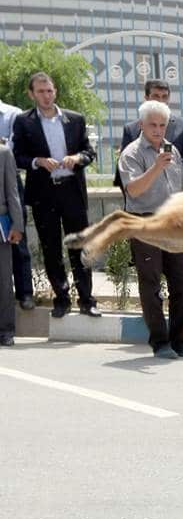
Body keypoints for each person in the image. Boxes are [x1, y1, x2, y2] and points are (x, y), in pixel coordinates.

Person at [12, 72, 99, 318]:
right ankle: (62, 298)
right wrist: (38, 161)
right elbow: (16, 156)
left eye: (49, 90)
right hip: (44, 194)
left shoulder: (75, 119)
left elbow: (89, 152)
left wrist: (78, 158)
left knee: (80, 246)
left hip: (72, 191)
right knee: (51, 248)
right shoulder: (23, 121)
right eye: (40, 91)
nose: (46, 95)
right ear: (31, 94)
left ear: (55, 91)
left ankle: (87, 299)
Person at [118, 100, 183, 359]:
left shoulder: (172, 151)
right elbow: (133, 189)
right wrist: (156, 167)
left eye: (162, 125)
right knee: (151, 284)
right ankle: (159, 342)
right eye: (152, 124)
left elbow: (180, 187)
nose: (158, 129)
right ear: (141, 124)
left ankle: (179, 341)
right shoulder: (131, 153)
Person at [117, 79, 183, 190]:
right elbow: (126, 166)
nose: (160, 101)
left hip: (179, 193)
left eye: (164, 97)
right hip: (146, 194)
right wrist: (155, 171)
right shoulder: (131, 129)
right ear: (146, 98)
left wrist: (168, 170)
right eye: (156, 96)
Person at [0, 97, 33, 311]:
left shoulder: (13, 114)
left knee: (17, 237)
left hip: (8, 175)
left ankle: (25, 293)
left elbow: (16, 148)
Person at [0, 142, 24, 346]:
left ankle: (6, 330)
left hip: (1, 226)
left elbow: (12, 191)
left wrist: (17, 224)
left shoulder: (4, 152)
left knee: (3, 281)